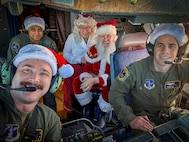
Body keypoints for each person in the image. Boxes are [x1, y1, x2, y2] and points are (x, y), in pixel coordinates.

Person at [109, 23, 189, 136]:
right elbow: (115, 92)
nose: (166, 51)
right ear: (152, 49)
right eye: (160, 45)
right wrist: (130, 119)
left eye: (171, 46)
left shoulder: (183, 68)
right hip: (144, 118)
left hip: (172, 114)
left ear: (179, 51)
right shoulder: (135, 69)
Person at [0, 44, 74, 141]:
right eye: (27, 70)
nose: (34, 79)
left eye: (44, 73)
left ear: (52, 84)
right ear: (11, 74)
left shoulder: (49, 119)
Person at [7, 13, 59, 112]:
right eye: (33, 29)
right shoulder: (18, 42)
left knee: (49, 97)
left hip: (43, 75)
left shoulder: (49, 43)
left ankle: (53, 119)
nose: (36, 33)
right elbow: (11, 64)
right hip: (24, 76)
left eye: (39, 30)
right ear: (27, 30)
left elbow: (55, 63)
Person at [72, 20, 118, 126]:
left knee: (110, 86)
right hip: (94, 80)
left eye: (109, 36)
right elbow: (87, 67)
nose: (106, 40)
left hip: (108, 82)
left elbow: (115, 75)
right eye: (102, 36)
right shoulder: (93, 49)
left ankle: (103, 111)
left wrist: (95, 80)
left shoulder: (117, 51)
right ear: (98, 37)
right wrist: (87, 78)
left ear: (114, 37)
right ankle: (87, 106)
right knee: (76, 81)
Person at [63, 14, 97, 114]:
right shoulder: (71, 37)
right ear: (78, 28)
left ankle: (92, 108)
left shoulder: (96, 37)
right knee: (72, 83)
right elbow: (65, 54)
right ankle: (74, 111)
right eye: (82, 27)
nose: (85, 30)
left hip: (92, 67)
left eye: (88, 27)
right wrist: (79, 59)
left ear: (92, 28)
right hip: (76, 66)